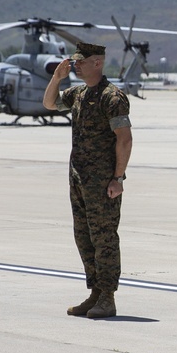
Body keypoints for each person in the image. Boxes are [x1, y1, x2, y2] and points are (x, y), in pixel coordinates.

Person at [42, 42, 133, 319]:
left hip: (103, 182)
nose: (75, 66)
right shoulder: (79, 93)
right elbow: (49, 103)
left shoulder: (112, 97)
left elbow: (125, 139)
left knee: (104, 238)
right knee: (84, 237)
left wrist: (117, 178)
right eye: (74, 62)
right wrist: (56, 78)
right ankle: (94, 292)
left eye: (80, 62)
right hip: (79, 179)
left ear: (97, 62)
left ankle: (107, 296)